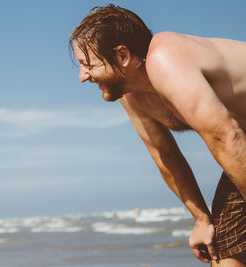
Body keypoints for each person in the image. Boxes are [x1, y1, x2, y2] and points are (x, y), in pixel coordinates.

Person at [70, 4, 246, 266]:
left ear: (122, 56)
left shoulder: (165, 57)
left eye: (88, 64)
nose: (83, 77)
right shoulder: (129, 93)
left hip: (237, 140)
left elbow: (226, 136)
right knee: (223, 251)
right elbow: (164, 154)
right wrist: (201, 218)